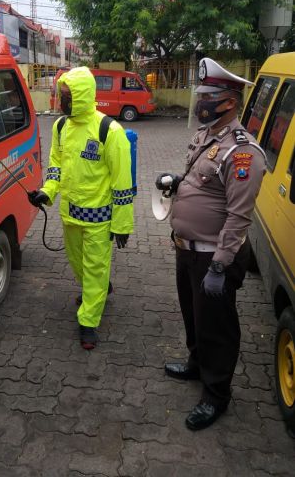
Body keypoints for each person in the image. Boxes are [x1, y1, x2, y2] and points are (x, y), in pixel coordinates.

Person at [155, 57, 266, 430]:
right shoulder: (206, 136)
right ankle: (196, 364)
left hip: (212, 259)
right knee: (193, 315)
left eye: (208, 96)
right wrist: (177, 180)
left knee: (217, 327)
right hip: (186, 251)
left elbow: (238, 217)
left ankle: (217, 394)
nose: (200, 102)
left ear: (229, 102)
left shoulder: (243, 152)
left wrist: (219, 265)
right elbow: (201, 181)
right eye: (200, 94)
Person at [28, 66, 134, 350]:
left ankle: (88, 321)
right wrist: (46, 193)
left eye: (67, 95)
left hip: (99, 218)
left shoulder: (109, 130)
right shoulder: (60, 126)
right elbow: (56, 165)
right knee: (78, 264)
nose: (62, 101)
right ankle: (96, 290)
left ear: (82, 95)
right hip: (70, 214)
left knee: (95, 266)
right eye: (61, 95)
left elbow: (122, 182)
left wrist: (122, 225)